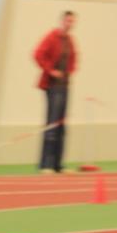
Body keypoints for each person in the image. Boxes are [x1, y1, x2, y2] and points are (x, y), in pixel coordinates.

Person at [33, 11, 77, 174]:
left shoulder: (70, 40)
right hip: (52, 86)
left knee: (61, 125)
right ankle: (46, 164)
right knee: (52, 124)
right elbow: (38, 54)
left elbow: (74, 59)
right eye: (67, 21)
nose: (70, 24)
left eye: (72, 21)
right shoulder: (52, 37)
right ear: (61, 21)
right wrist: (51, 70)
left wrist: (69, 72)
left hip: (64, 86)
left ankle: (58, 164)